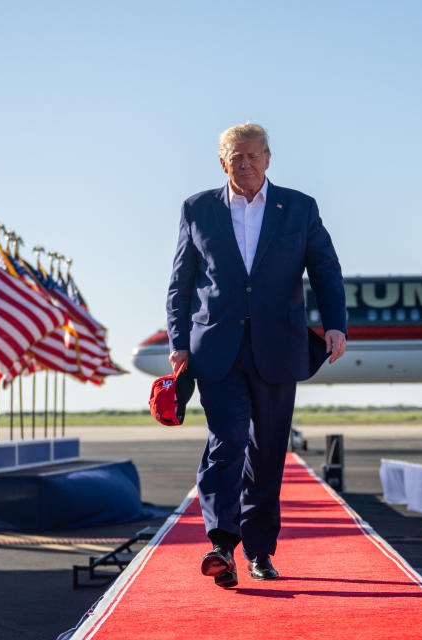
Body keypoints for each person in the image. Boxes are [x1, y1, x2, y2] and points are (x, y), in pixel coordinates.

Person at [166, 123, 347, 588]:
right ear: (221, 161)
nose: (245, 163)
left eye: (253, 155)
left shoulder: (299, 208)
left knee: (267, 453)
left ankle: (259, 551)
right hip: (216, 349)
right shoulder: (196, 208)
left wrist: (335, 324)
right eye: (236, 156)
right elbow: (181, 283)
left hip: (277, 347)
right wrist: (178, 341)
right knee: (226, 442)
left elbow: (325, 268)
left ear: (268, 158)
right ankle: (221, 545)